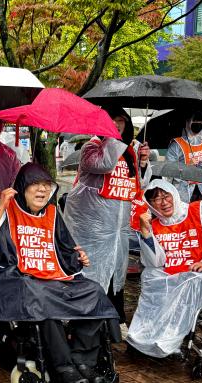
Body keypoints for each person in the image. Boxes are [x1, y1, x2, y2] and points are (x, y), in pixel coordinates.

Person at [0, 162, 120, 383]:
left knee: (93, 291)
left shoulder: (53, 214)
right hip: (17, 278)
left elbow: (65, 248)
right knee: (40, 296)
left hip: (51, 279)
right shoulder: (7, 208)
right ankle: (62, 366)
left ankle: (83, 361)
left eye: (46, 185)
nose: (42, 190)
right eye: (35, 185)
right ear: (23, 187)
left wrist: (78, 257)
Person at [63, 107, 151, 338]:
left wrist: (141, 163)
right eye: (111, 120)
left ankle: (116, 319)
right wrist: (114, 138)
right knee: (90, 273)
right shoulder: (91, 147)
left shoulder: (128, 152)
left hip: (117, 228)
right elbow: (103, 164)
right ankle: (81, 321)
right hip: (92, 228)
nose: (117, 124)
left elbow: (136, 185)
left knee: (115, 274)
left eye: (120, 121)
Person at [128, 179, 202, 357]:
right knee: (150, 276)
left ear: (174, 193)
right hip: (175, 273)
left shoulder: (199, 210)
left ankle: (168, 340)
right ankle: (144, 335)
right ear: (150, 204)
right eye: (156, 199)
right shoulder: (155, 225)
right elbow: (154, 262)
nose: (163, 202)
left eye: (166, 196)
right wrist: (145, 232)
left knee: (189, 283)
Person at [166, 111, 202, 204]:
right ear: (188, 123)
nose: (199, 124)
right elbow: (168, 171)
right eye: (196, 121)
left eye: (201, 122)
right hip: (183, 192)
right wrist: (186, 167)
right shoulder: (177, 145)